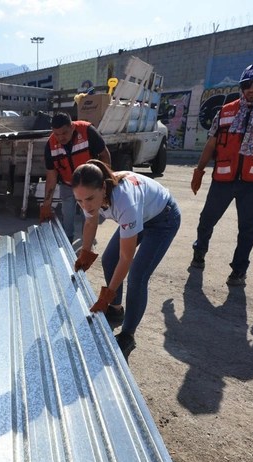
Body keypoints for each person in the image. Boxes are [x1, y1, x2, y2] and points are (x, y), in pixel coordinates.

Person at [190, 61, 253, 286]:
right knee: (206, 220)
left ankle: (239, 270)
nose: (251, 89)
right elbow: (212, 142)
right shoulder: (227, 111)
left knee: (247, 229)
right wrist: (199, 170)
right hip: (223, 179)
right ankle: (199, 252)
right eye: (247, 84)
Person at [71, 160, 180, 361]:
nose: (86, 206)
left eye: (89, 199)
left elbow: (126, 258)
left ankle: (127, 336)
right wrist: (85, 252)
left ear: (103, 187)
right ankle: (115, 309)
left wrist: (106, 295)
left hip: (163, 220)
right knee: (108, 259)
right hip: (141, 214)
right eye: (79, 201)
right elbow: (90, 221)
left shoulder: (124, 201)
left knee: (138, 275)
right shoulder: (89, 193)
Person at [40, 112, 111, 243]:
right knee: (67, 216)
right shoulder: (50, 145)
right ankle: (68, 241)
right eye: (57, 134)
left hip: (89, 185)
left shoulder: (87, 131)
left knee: (89, 216)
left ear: (72, 127)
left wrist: (103, 182)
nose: (61, 138)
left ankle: (87, 243)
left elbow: (104, 154)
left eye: (64, 133)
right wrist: (47, 203)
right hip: (68, 185)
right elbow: (51, 175)